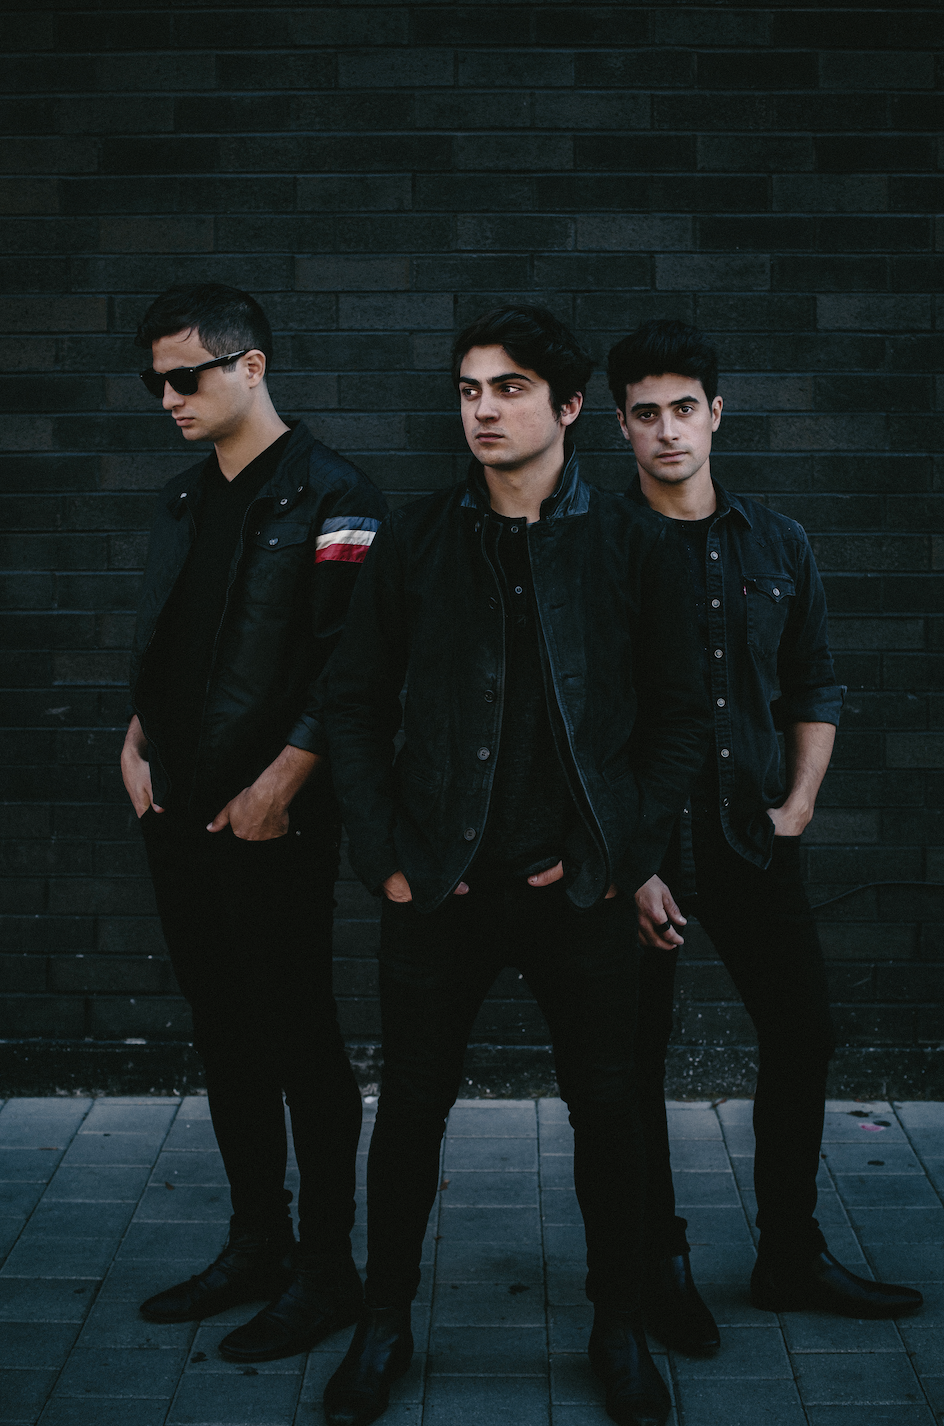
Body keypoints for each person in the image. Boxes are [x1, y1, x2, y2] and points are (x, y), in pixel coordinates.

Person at [320, 305, 708, 1426]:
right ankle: (383, 1322)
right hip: (438, 887)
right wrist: (386, 856)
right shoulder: (418, 538)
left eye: (508, 388)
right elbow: (353, 704)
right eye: (468, 390)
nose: (481, 410)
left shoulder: (632, 543)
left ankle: (617, 1326)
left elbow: (678, 719)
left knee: (608, 1112)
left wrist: (617, 854)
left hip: (576, 889)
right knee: (410, 1113)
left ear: (570, 406)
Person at [608, 318, 922, 1354]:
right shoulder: (596, 549)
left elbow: (812, 681)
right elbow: (582, 720)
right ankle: (655, 1267)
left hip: (750, 836)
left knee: (802, 1034)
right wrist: (632, 861)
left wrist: (798, 805)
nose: (667, 430)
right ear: (619, 426)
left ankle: (789, 1253)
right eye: (645, 413)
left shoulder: (777, 542)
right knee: (633, 1058)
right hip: (639, 854)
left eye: (682, 409)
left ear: (715, 413)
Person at [121, 282, 388, 1363]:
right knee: (223, 1031)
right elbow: (173, 637)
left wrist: (281, 783)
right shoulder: (185, 499)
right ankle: (257, 1243)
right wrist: (135, 737)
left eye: (186, 376)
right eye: (156, 382)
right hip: (178, 810)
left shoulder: (336, 495)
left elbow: (352, 662)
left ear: (251, 367)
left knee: (298, 1038)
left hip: (274, 821)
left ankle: (328, 1271)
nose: (168, 398)